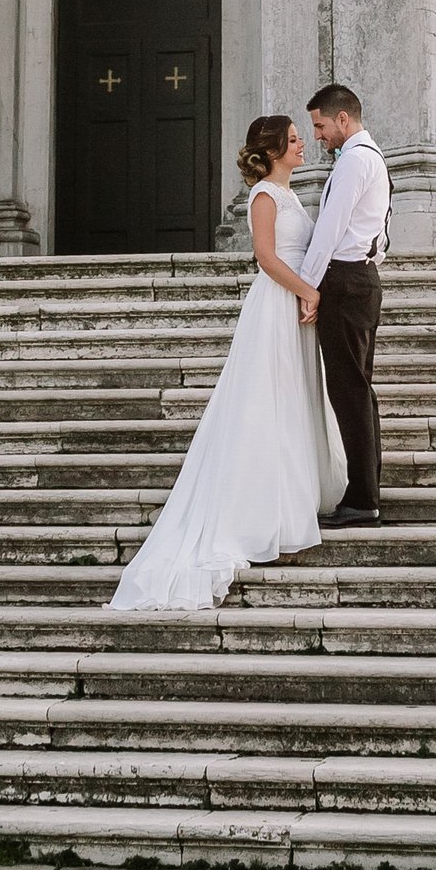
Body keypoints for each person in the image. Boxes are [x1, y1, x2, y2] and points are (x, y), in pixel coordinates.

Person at [107, 113, 344, 611]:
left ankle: (289, 499)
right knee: (267, 402)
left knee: (291, 400)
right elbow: (265, 256)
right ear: (274, 149)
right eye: (295, 140)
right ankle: (258, 511)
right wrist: (307, 292)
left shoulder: (290, 193)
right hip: (277, 305)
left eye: (303, 138)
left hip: (294, 303)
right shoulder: (264, 196)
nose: (303, 146)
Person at [300, 79, 390, 526]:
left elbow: (329, 231)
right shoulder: (369, 158)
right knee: (358, 389)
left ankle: (361, 498)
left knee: (349, 390)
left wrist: (307, 288)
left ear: (342, 118)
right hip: (361, 278)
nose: (317, 136)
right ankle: (367, 489)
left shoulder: (355, 161)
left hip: (346, 281)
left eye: (319, 126)